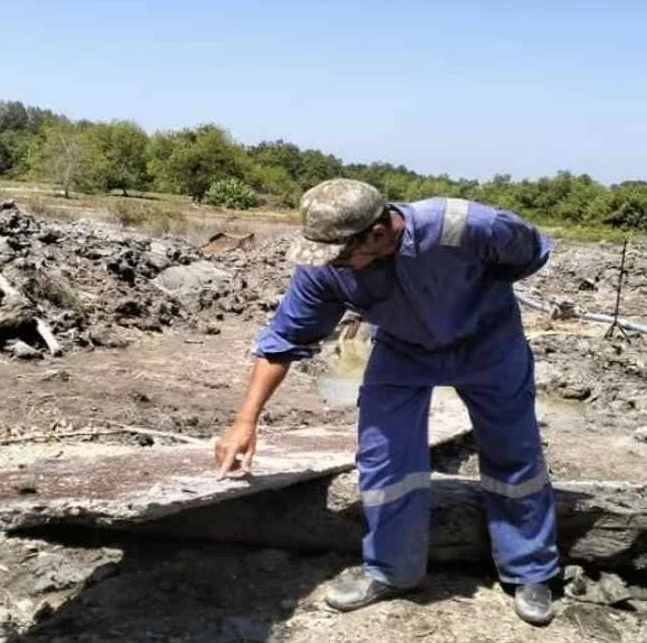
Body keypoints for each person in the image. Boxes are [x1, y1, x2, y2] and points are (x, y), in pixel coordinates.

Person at [213, 178, 560, 626]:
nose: (333, 266)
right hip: (403, 351)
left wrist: (474, 299)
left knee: (514, 453)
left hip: (490, 345)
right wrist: (246, 420)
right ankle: (393, 570)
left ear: (379, 234)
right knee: (384, 460)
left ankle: (530, 571)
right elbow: (285, 340)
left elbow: (530, 253)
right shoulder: (327, 265)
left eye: (342, 257)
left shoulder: (464, 225)